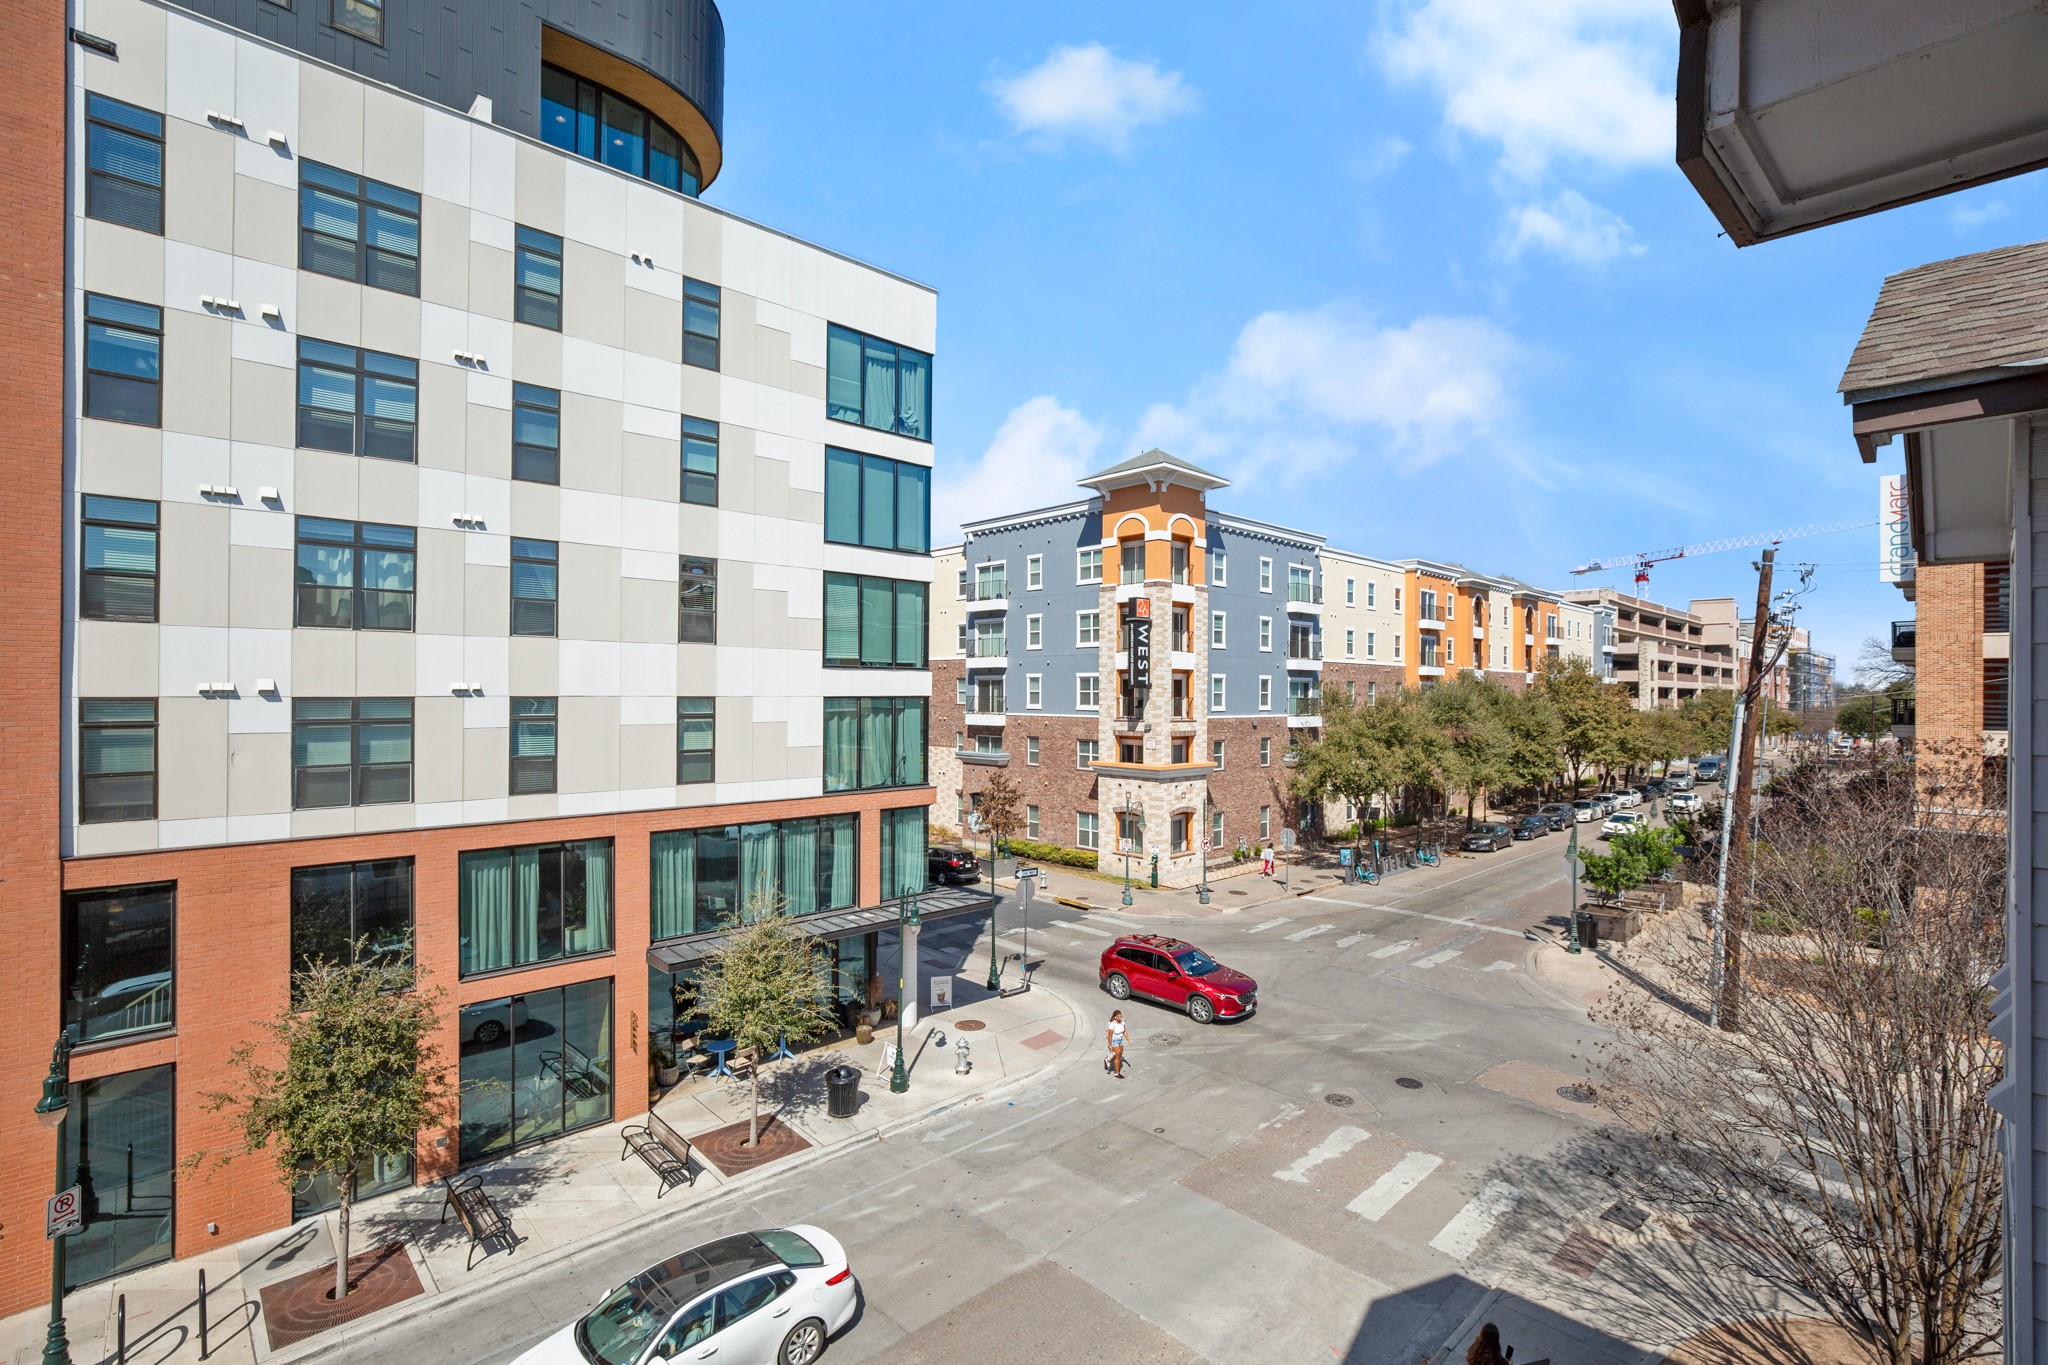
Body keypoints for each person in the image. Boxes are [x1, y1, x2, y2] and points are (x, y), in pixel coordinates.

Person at [1104, 1009, 1128, 1079]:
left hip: (1120, 1040)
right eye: (1119, 1016)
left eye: (1121, 1016)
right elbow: (1108, 1035)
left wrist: (1128, 1040)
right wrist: (1110, 1045)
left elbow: (1124, 1030)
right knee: (1116, 1056)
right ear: (1115, 1017)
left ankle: (1107, 1060)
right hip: (1113, 1041)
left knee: (1118, 1055)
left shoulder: (1122, 1021)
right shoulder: (1110, 1023)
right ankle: (1116, 1073)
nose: (1121, 1017)